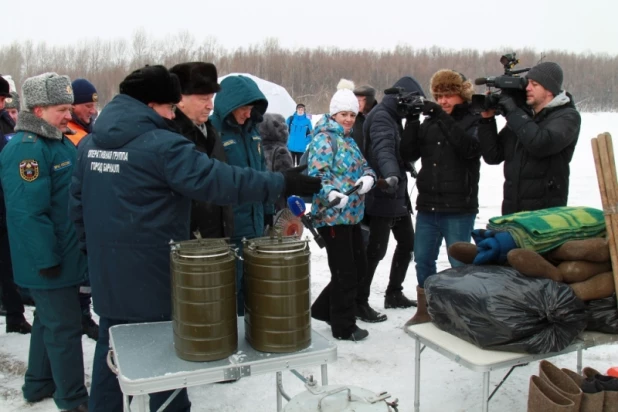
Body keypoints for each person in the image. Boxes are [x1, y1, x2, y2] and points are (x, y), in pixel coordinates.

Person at [69, 65, 321, 412]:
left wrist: (94, 256)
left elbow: (77, 209)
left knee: (112, 352)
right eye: (170, 108)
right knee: (165, 367)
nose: (172, 116)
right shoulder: (161, 145)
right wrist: (282, 182)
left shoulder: (90, 144)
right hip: (155, 277)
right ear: (151, 103)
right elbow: (218, 180)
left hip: (109, 277)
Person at [0, 72, 88, 412]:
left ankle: (38, 383)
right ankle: (73, 398)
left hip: (60, 255)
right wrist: (47, 261)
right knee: (64, 328)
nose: (68, 115)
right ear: (38, 111)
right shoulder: (28, 150)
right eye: (61, 109)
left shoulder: (55, 140)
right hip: (50, 261)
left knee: (49, 322)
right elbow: (28, 214)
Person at [400, 70, 488, 326]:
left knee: (459, 263)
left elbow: (470, 149)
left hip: (459, 207)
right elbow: (408, 153)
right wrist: (413, 120)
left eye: (448, 95)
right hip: (428, 205)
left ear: (461, 94)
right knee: (423, 259)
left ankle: (462, 314)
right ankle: (427, 310)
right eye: (439, 96)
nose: (443, 101)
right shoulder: (431, 121)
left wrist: (439, 116)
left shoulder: (473, 119)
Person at [308, 79, 377, 342]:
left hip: (352, 216)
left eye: (352, 115)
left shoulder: (348, 140)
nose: (348, 119)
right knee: (345, 271)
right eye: (343, 115)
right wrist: (332, 194)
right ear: (333, 114)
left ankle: (323, 308)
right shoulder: (324, 140)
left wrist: (367, 180)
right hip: (331, 216)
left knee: (358, 267)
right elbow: (317, 175)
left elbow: (366, 167)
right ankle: (343, 325)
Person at [359, 76, 424, 320]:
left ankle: (394, 293)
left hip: (396, 196)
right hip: (382, 193)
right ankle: (360, 300)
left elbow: (396, 149)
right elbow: (383, 148)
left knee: (408, 243)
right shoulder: (382, 117)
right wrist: (392, 175)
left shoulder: (393, 117)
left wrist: (406, 164)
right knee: (375, 251)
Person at [479, 62, 581, 215]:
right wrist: (487, 120)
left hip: (544, 216)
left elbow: (540, 144)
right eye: (528, 83)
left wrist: (513, 111)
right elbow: (493, 155)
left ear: (549, 90)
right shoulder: (524, 118)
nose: (527, 88)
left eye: (535, 84)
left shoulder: (567, 116)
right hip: (512, 212)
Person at [210, 75, 274, 316]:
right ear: (229, 105)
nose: (248, 114)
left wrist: (268, 213)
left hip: (256, 227)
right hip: (230, 229)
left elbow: (262, 173)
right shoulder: (213, 133)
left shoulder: (253, 133)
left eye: (251, 108)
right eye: (244, 108)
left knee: (254, 289)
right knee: (230, 292)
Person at [170, 62, 233, 239]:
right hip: (190, 248)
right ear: (180, 99)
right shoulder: (171, 136)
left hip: (218, 239)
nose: (210, 106)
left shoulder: (211, 132)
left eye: (211, 98)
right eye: (204, 98)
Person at [0, 81, 30, 334]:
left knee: (7, 263)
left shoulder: (7, 123)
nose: (3, 106)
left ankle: (14, 315)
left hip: (5, 204)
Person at [260, 113, 294, 211]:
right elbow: (288, 183)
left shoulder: (258, 149)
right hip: (278, 205)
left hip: (262, 202)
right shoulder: (281, 151)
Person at [66, 78, 98, 146]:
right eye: (88, 106)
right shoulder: (67, 134)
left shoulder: (93, 129)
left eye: (94, 106)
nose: (93, 111)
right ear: (72, 105)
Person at [352, 85, 378, 152]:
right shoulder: (353, 118)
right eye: (356, 99)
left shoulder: (379, 117)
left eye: (361, 100)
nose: (358, 103)